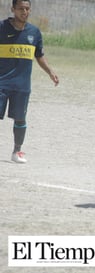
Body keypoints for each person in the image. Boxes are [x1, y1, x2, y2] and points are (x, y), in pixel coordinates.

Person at [0, 0, 59, 163]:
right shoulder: (2, 28)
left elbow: (39, 55)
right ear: (13, 9)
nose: (24, 12)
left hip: (22, 85)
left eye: (27, 9)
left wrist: (50, 72)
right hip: (2, 83)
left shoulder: (35, 32)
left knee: (20, 118)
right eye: (21, 9)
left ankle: (17, 151)